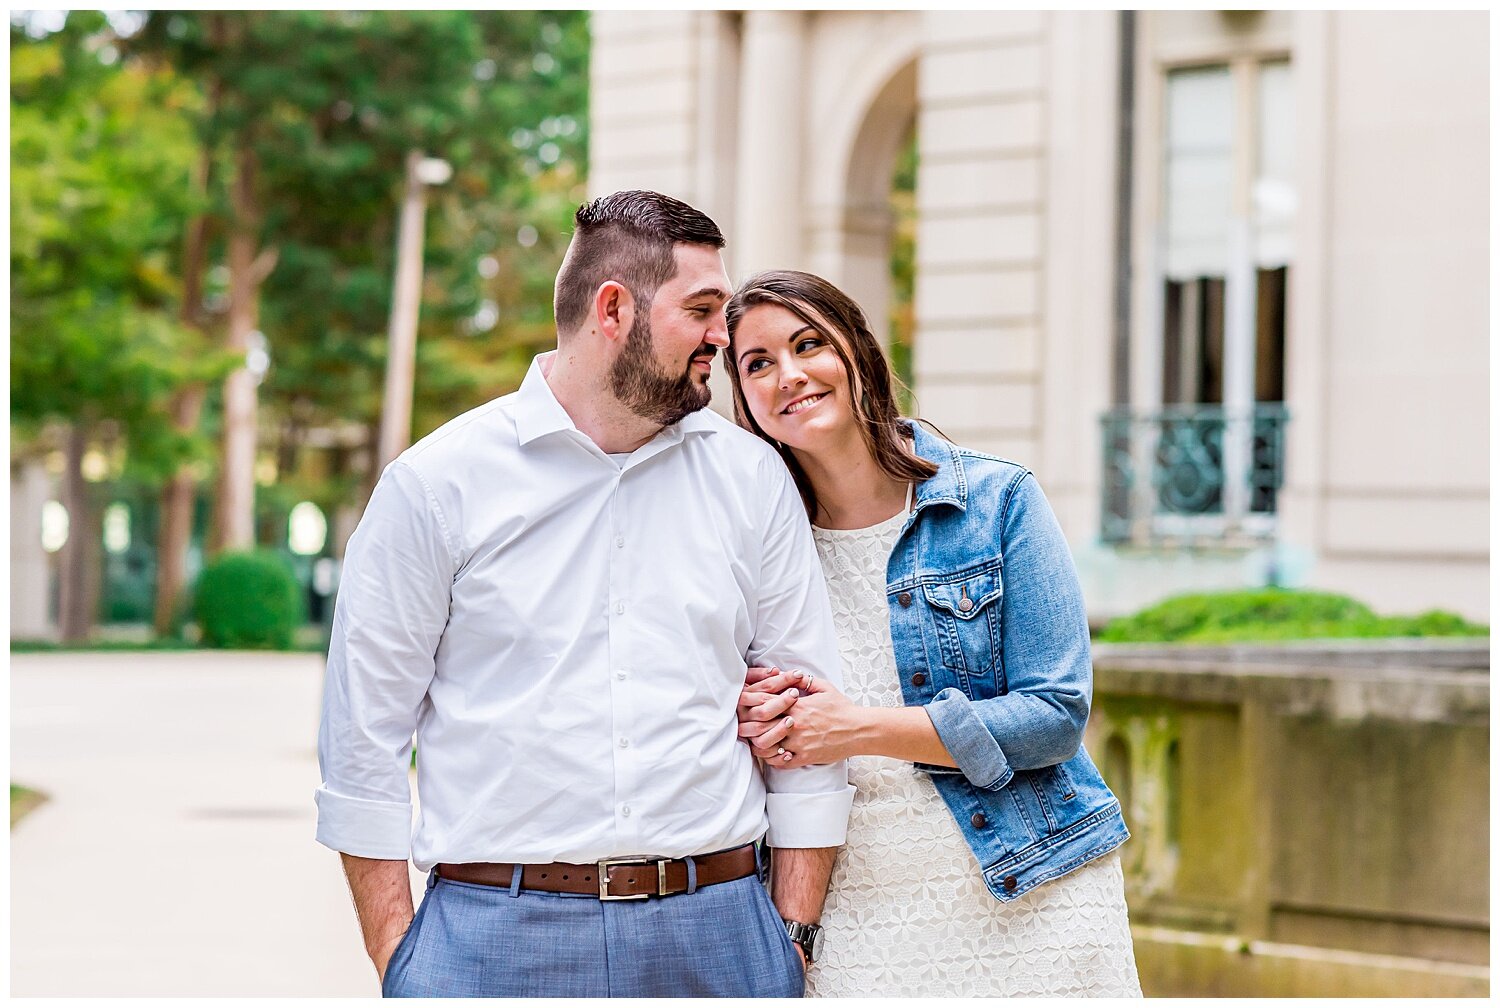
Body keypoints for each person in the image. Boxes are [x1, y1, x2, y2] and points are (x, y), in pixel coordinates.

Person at [315, 195, 854, 998]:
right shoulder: (437, 486)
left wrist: (790, 944)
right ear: (613, 309)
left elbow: (806, 727)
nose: (723, 336)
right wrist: (404, 961)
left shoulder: (751, 480)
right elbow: (364, 742)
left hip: (720, 935)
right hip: (490, 937)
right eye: (702, 310)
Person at [725, 270, 1141, 997]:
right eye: (757, 363)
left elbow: (1055, 716)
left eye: (807, 344)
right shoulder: (754, 543)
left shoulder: (994, 500)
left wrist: (856, 729)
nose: (788, 375)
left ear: (856, 350)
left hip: (1030, 889)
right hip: (852, 909)